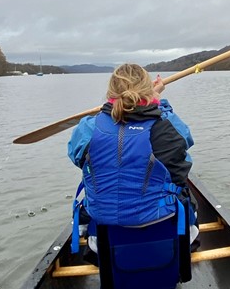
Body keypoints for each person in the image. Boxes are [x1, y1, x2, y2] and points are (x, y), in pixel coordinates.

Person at [67, 64, 198, 258]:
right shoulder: (167, 126)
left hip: (104, 245)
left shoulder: (88, 128)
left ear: (111, 92)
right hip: (170, 238)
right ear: (148, 91)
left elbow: (76, 155)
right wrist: (158, 101)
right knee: (185, 190)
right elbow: (185, 141)